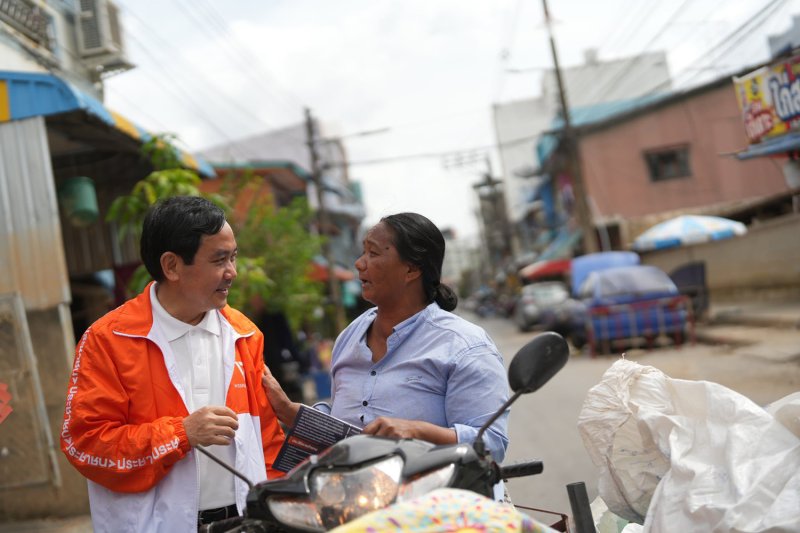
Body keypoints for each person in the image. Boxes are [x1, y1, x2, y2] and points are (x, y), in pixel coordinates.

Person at [60, 196, 285, 533]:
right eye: (219, 259)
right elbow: (85, 444)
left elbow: (268, 440)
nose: (232, 272)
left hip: (245, 522)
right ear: (172, 266)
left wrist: (277, 512)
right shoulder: (109, 339)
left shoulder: (244, 334)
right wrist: (181, 434)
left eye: (233, 257)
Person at [264, 212, 509, 463]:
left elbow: (492, 445)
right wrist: (288, 411)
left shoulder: (465, 345)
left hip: (434, 498)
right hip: (350, 497)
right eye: (363, 252)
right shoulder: (349, 337)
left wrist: (418, 432)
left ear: (412, 269)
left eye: (373, 253)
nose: (359, 263)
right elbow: (342, 428)